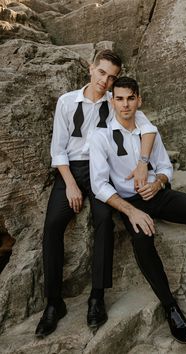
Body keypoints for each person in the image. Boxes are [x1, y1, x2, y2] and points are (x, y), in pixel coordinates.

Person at [89, 76, 186, 344]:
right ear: (112, 101)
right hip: (127, 201)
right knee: (143, 240)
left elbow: (165, 167)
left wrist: (158, 183)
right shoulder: (101, 137)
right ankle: (170, 307)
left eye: (131, 98)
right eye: (119, 98)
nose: (125, 104)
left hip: (155, 193)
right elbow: (99, 185)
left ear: (139, 100)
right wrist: (130, 211)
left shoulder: (147, 130)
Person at [35, 51, 157, 338]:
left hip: (104, 169)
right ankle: (54, 303)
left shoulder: (116, 102)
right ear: (91, 69)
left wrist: (142, 163)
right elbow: (58, 149)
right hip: (72, 171)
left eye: (112, 76)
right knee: (53, 225)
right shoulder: (66, 102)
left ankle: (97, 297)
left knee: (103, 220)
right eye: (102, 73)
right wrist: (71, 184)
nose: (106, 80)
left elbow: (147, 127)